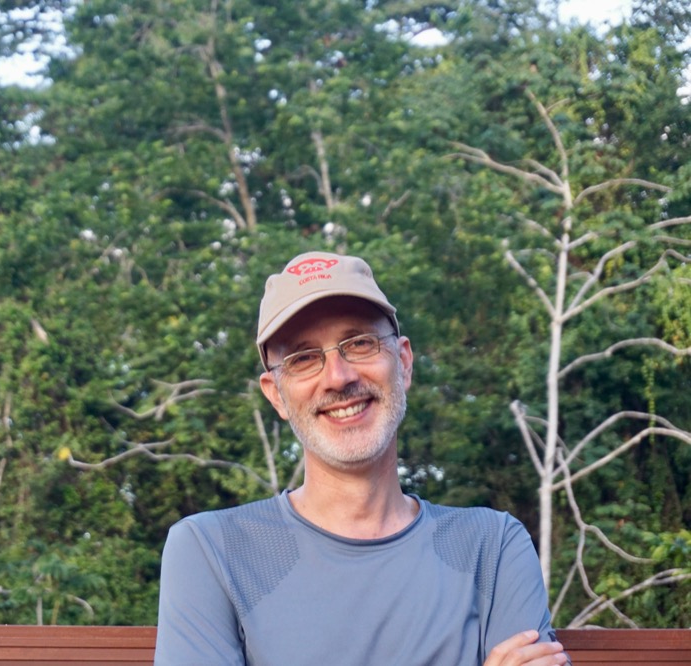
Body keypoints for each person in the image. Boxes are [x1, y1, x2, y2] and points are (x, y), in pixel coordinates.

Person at [154, 251, 569, 665]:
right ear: (275, 394)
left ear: (403, 362)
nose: (339, 377)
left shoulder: (493, 546)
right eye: (303, 358)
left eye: (359, 343)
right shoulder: (209, 550)